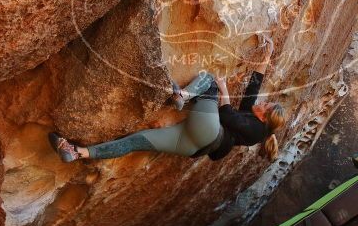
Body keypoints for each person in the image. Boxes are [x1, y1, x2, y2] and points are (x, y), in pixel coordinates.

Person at [49, 39, 285, 163]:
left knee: (210, 81)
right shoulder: (252, 117)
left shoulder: (256, 132)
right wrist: (267, 56)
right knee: (135, 142)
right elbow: (254, 86)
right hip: (191, 143)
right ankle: (78, 153)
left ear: (264, 116)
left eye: (265, 105)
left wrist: (223, 87)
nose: (262, 103)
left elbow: (226, 115)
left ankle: (182, 96)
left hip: (210, 133)